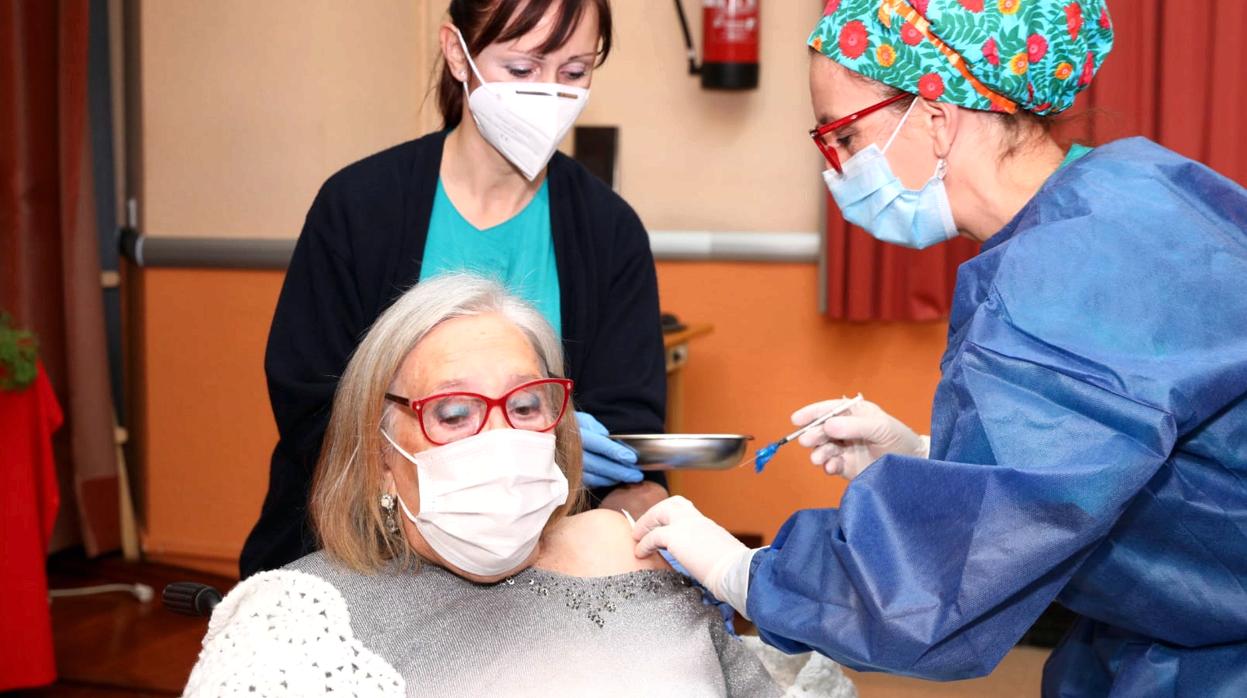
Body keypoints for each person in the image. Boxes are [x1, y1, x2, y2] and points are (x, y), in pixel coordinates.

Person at [630, 1, 1247, 695]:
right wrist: (925, 458)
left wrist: (743, 571)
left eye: (844, 135)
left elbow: (936, 586)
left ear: (934, 116)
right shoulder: (1138, 186)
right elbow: (1121, 448)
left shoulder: (1051, 282)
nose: (837, 167)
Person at [187, 275, 788, 697]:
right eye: (453, 414)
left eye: (526, 405)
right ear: (378, 458)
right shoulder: (297, 619)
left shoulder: (630, 550)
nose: (501, 438)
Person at [241, 0, 669, 578]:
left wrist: (571, 448)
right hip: (361, 556)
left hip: (535, 568)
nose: (548, 93)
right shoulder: (359, 207)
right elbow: (309, 401)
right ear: (456, 53)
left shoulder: (608, 231)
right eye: (521, 70)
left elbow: (630, 425)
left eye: (574, 73)